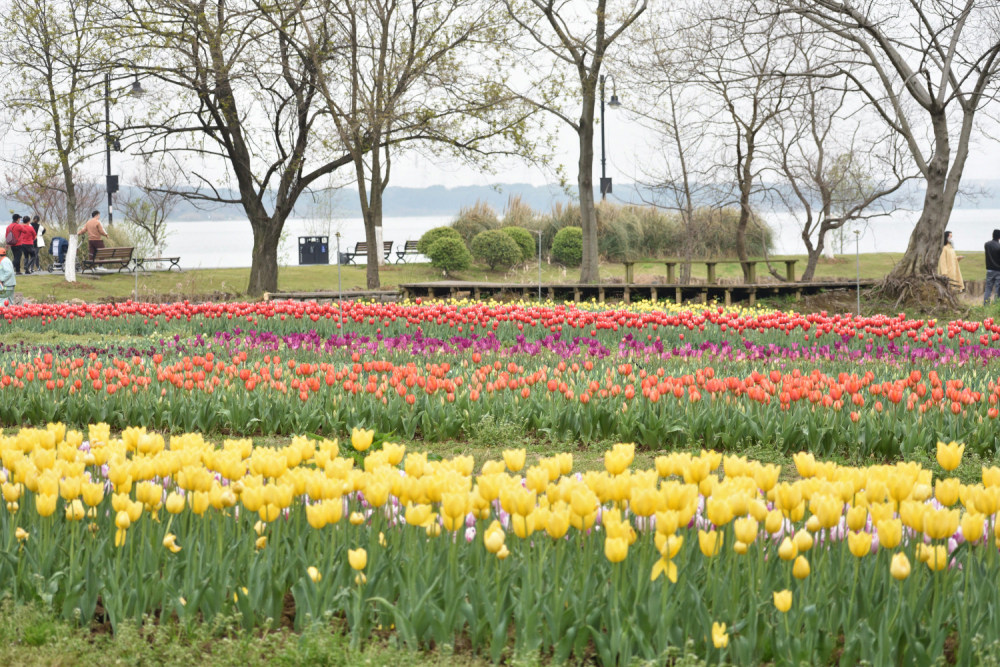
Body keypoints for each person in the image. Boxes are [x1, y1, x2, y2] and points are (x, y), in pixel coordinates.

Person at [985, 229, 1000, 305]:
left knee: (988, 288)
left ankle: (986, 304)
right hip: (998, 271)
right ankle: (996, 305)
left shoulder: (987, 244)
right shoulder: (999, 246)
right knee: (998, 289)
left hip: (989, 270)